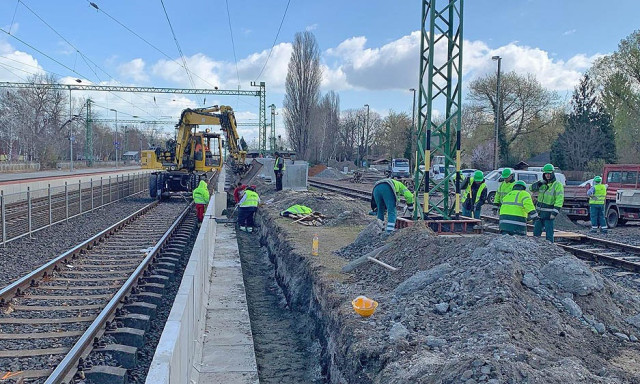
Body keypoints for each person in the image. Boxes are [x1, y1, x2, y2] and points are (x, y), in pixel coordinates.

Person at [531, 163, 564, 242]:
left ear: (552, 173)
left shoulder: (557, 185)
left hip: (549, 214)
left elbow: (559, 199)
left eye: (549, 173)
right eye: (546, 174)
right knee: (536, 233)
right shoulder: (542, 184)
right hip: (539, 213)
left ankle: (550, 248)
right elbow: (531, 189)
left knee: (549, 234)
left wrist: (554, 212)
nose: (547, 175)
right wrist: (539, 183)